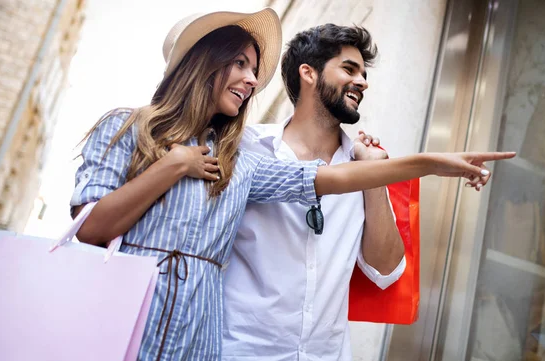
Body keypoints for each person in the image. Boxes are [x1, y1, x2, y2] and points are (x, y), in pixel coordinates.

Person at [70, 9, 514, 361]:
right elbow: (88, 229)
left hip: (206, 342)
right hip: (160, 328)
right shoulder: (233, 148)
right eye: (240, 64)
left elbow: (333, 183)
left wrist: (429, 163)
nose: (250, 80)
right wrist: (173, 165)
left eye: (253, 69)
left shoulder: (238, 164)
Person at [221, 24, 493, 360]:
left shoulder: (366, 163)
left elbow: (385, 270)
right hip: (237, 350)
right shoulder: (244, 149)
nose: (363, 82)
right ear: (308, 73)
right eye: (349, 69)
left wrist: (372, 176)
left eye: (364, 73)